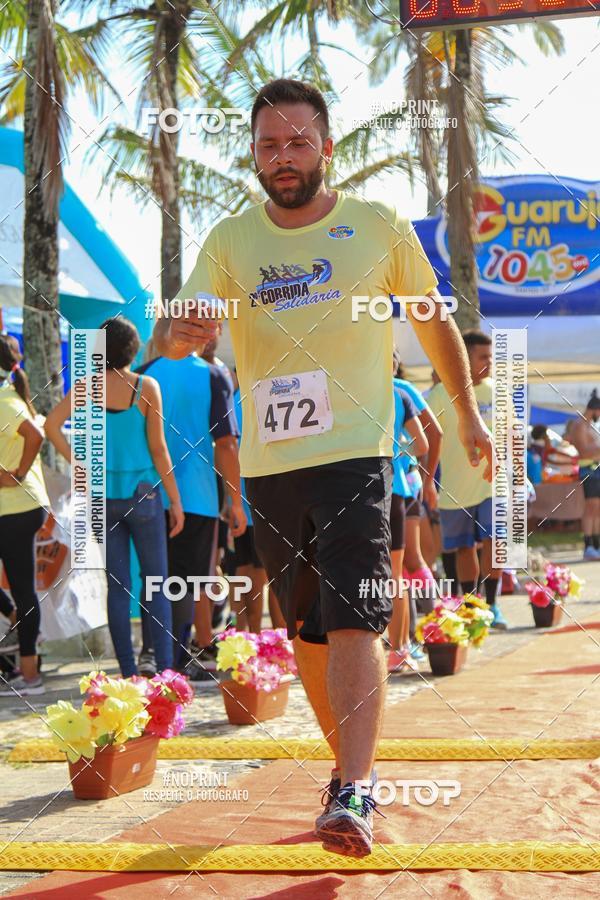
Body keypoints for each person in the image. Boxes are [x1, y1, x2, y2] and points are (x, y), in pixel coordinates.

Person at [152, 78, 494, 856]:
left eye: (298, 142)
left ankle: (354, 789)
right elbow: (179, 327)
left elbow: (430, 318)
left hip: (358, 457)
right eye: (269, 145)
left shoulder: (375, 225)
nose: (283, 157)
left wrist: (467, 413)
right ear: (253, 153)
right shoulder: (232, 239)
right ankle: (348, 769)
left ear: (327, 148)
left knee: (353, 617)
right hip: (274, 466)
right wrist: (179, 330)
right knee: (304, 629)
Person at [45, 318, 183, 677]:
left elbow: (50, 426)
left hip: (102, 498)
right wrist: (176, 500)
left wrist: (79, 463)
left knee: (118, 589)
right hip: (145, 496)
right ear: (133, 349)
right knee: (156, 584)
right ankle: (166, 674)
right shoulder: (146, 387)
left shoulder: (84, 388)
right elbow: (159, 450)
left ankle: (127, 674)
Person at [136, 347, 245, 678]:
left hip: (149, 490)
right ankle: (176, 660)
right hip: (196, 493)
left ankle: (151, 654)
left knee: (155, 578)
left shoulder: (146, 370)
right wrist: (236, 501)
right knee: (188, 581)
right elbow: (225, 444)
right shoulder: (214, 375)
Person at [428, 329, 506, 627]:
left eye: (492, 356)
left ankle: (493, 604)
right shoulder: (439, 393)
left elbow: (511, 433)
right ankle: (471, 606)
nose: (490, 362)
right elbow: (424, 434)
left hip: (493, 483)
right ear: (465, 357)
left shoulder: (497, 391)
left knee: (495, 540)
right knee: (463, 547)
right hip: (454, 488)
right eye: (483, 357)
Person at [0, 334, 49, 695]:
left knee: (23, 589)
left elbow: (35, 436)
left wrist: (15, 472)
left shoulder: (4, 400)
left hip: (16, 507)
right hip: (17, 507)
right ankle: (19, 619)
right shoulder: (11, 395)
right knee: (21, 592)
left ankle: (29, 673)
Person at [231, 371, 286, 632]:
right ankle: (272, 639)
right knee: (268, 572)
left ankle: (249, 638)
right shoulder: (268, 393)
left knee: (248, 571)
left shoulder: (232, 398)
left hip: (245, 499)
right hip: (260, 499)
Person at [387, 380, 428, 672]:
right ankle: (398, 648)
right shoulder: (399, 394)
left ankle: (375, 647)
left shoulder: (347, 385)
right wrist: (398, 451)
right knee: (395, 573)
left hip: (356, 491)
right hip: (396, 488)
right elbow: (422, 443)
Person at [569, 389, 600, 560]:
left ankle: (596, 544)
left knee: (597, 509)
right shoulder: (580, 425)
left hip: (596, 469)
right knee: (591, 508)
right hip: (588, 470)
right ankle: (588, 545)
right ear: (595, 409)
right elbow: (583, 452)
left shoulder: (589, 426)